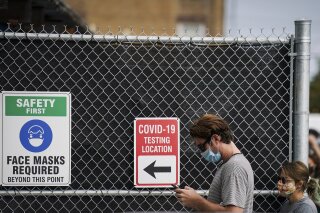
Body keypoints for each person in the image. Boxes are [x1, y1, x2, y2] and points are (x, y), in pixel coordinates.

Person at [175, 113, 254, 212]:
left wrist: (197, 201)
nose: (202, 152)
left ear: (216, 138)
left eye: (201, 146)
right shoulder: (231, 163)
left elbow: (234, 211)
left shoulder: (234, 166)